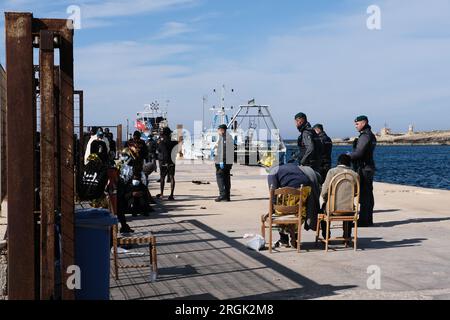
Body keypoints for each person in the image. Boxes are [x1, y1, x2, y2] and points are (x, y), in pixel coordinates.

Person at [267, 162, 313, 247]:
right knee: (298, 212)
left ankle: (284, 239)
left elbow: (272, 192)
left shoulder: (272, 173)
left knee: (280, 211)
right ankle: (294, 237)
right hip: (305, 190)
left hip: (293, 192)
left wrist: (273, 208)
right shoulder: (289, 166)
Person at [320, 154, 360, 239]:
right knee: (349, 207)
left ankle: (326, 235)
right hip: (349, 209)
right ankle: (347, 235)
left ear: (338, 162)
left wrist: (326, 199)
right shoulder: (355, 174)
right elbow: (356, 192)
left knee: (321, 210)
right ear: (350, 163)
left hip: (333, 209)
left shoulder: (332, 172)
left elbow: (324, 191)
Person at [348, 115, 377, 227]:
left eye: (357, 123)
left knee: (365, 195)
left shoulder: (365, 136)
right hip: (369, 167)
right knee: (368, 195)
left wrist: (347, 156)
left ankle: (364, 220)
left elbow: (359, 153)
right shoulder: (371, 135)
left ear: (364, 123)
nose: (356, 126)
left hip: (365, 168)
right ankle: (367, 219)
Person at [213, 124, 234, 202]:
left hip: (223, 161)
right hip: (228, 162)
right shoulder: (229, 137)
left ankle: (222, 195)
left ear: (221, 130)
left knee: (220, 178)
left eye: (218, 130)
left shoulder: (224, 138)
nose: (218, 131)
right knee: (226, 178)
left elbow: (224, 150)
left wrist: (221, 160)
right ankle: (227, 196)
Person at [156, 127, 178, 201]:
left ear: (164, 134)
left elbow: (159, 150)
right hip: (172, 161)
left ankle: (162, 194)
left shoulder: (162, 142)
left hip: (164, 162)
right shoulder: (175, 142)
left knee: (162, 177)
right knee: (172, 177)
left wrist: (159, 143)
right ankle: (171, 195)